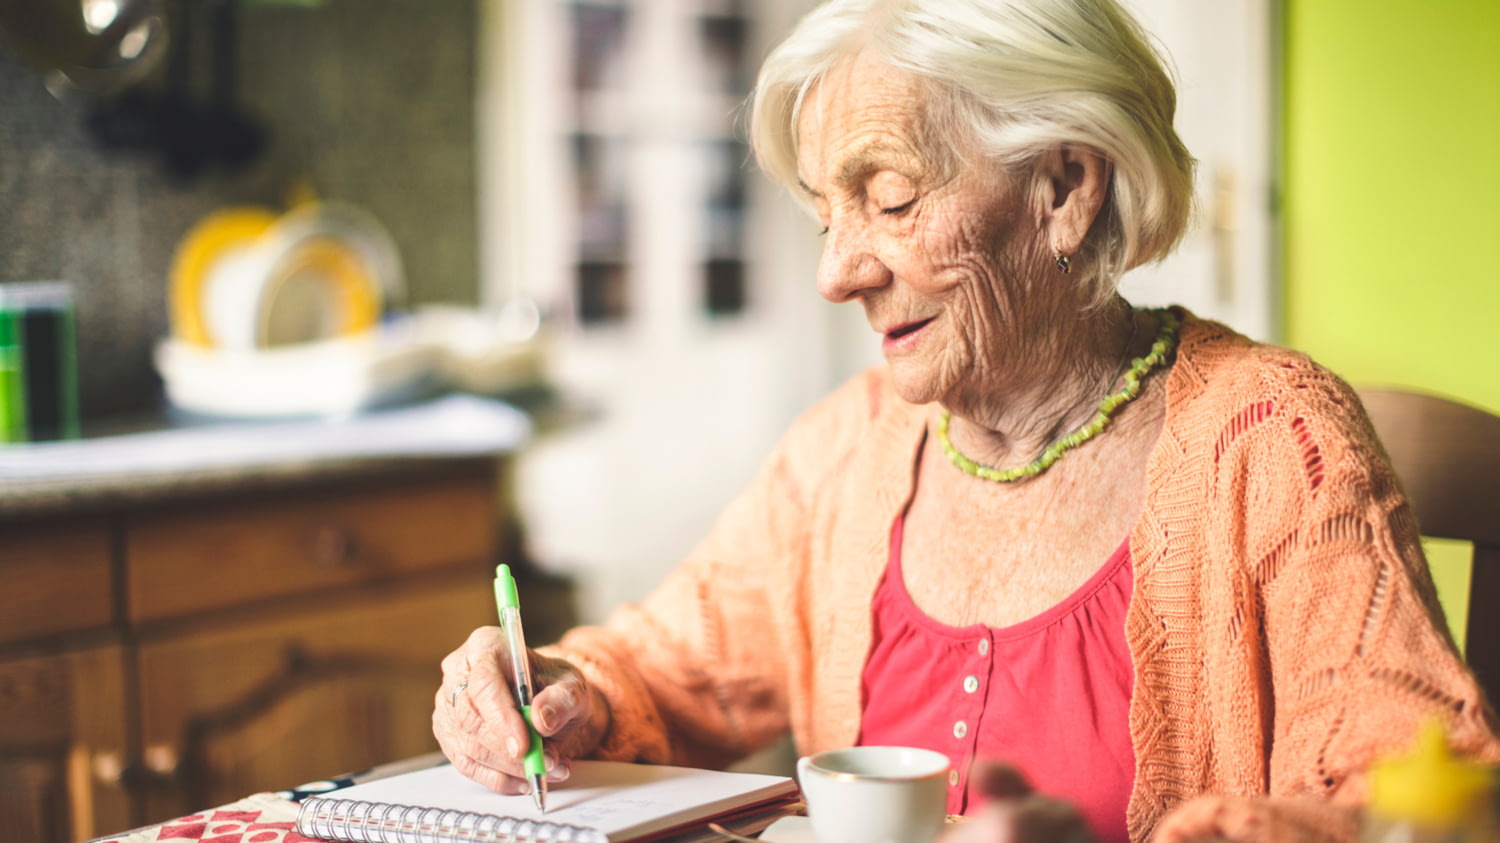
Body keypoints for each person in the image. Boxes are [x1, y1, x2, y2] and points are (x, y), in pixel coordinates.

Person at [434, 1, 1500, 841]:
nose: (836, 272)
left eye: (889, 200)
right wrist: (553, 692)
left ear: (1066, 188)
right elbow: (662, 670)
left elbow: (1411, 807)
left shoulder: (1275, 444)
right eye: (825, 212)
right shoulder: (845, 455)